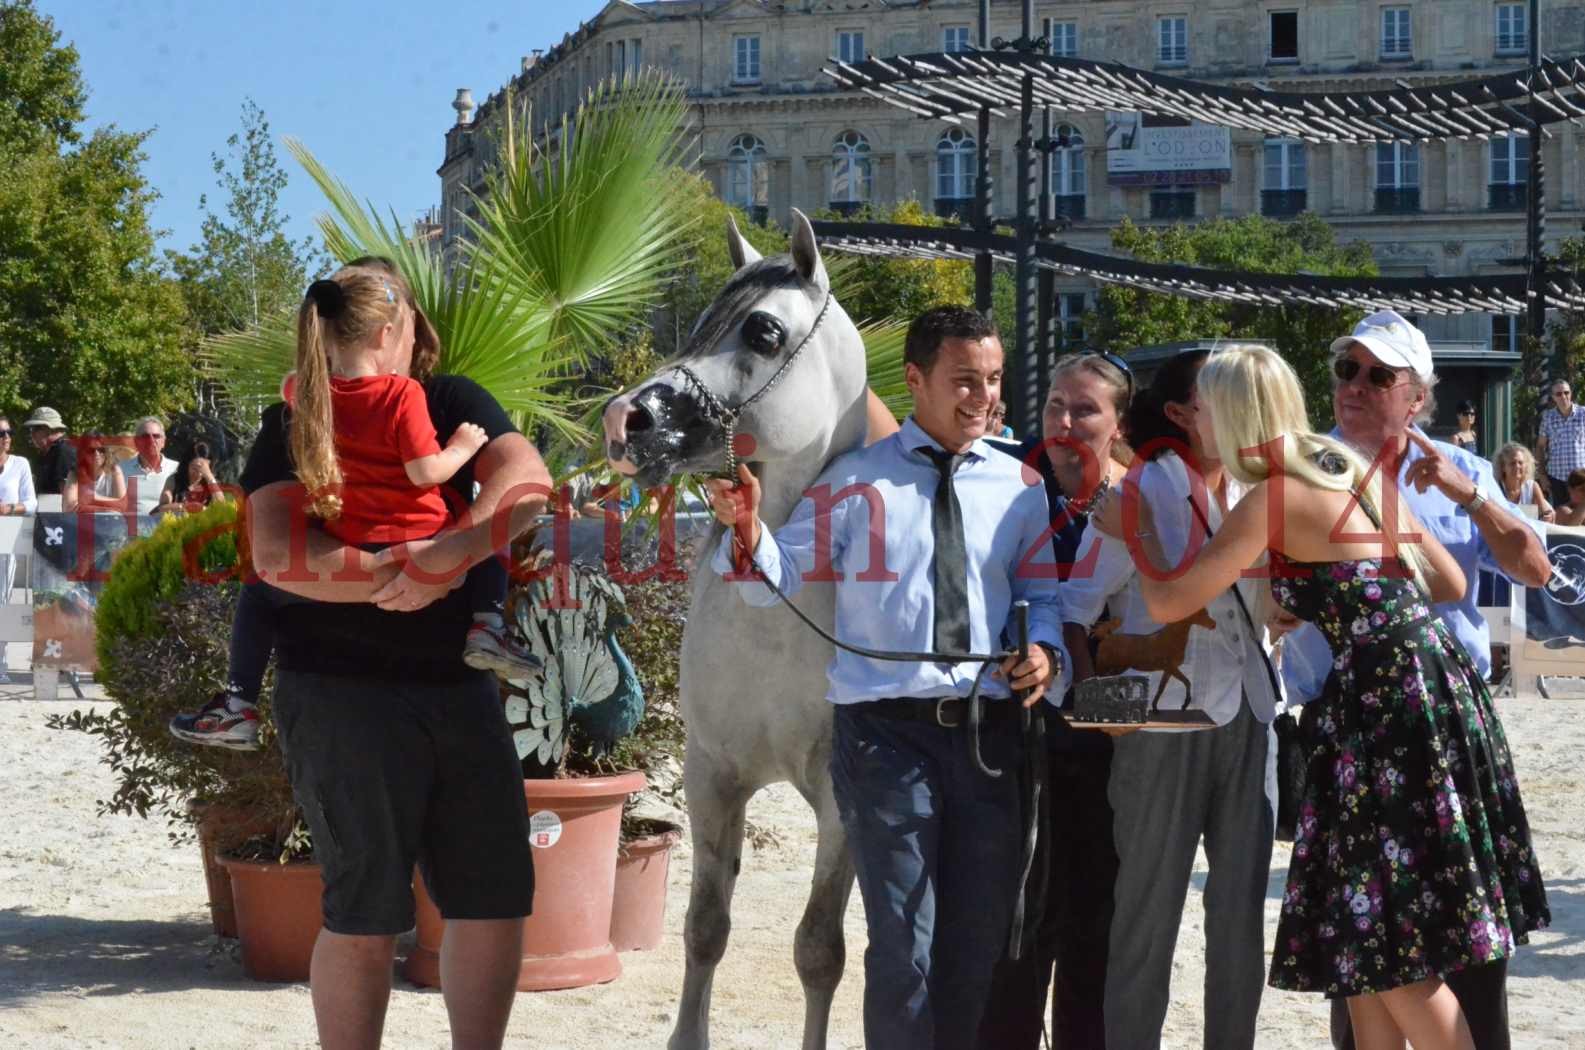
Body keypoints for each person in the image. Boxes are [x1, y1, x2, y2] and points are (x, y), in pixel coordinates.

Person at [1099, 344, 1550, 1050]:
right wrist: (1335, 596)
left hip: (1379, 711)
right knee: (1364, 939)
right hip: (1429, 694)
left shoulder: (1271, 496)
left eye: (1204, 409)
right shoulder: (1346, 468)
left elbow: (1165, 602)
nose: (1195, 425)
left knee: (1389, 941)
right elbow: (1446, 587)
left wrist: (1132, 524)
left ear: (1233, 414)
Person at [705, 306, 1067, 1050]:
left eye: (993, 380)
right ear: (914, 380)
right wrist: (748, 534)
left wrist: (1043, 649)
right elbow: (773, 577)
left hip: (987, 737)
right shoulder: (853, 481)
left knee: (973, 945)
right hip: (884, 742)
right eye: (964, 380)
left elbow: (1044, 596)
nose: (983, 397)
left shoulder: (1021, 485)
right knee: (905, 947)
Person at [240, 260, 551, 1050]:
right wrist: (415, 571)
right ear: (392, 326)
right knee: (363, 910)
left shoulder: (450, 401)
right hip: (337, 694)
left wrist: (446, 555)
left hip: (458, 687)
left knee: (493, 896)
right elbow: (276, 555)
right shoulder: (290, 423)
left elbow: (526, 483)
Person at [1281, 309, 1552, 1050]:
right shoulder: (1304, 469)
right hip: (1345, 732)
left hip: (1445, 729)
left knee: (1467, 959)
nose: (1356, 387)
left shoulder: (1454, 471)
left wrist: (1466, 495)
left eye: (1378, 375)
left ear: (1416, 395)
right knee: (1366, 963)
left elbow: (1533, 568)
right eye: (1346, 371)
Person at [169, 265, 540, 751]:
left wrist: (401, 569)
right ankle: (488, 626)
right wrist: (438, 561)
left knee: (255, 584)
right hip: (345, 680)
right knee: (489, 533)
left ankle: (239, 701)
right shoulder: (406, 395)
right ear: (394, 328)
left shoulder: (307, 402)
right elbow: (435, 475)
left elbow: (527, 479)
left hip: (418, 667)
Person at [1060, 347, 1282, 1050]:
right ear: (1185, 413)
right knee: (1146, 918)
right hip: (1155, 728)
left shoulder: (1263, 489)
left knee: (1240, 919)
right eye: (1223, 393)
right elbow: (1074, 605)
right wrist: (1095, 708)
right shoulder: (1141, 491)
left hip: (1253, 716)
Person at [977, 350, 1131, 1050]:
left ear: (1118, 420)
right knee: (1013, 915)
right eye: (1054, 407)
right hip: (1010, 726)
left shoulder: (1143, 502)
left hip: (1110, 734)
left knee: (1094, 918)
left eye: (1085, 408)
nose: (1065, 421)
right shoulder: (1002, 484)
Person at [0, 415, 37, 683]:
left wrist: (8, 508)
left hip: (7, 538)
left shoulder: (20, 464)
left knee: (2, 603)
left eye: (8, 432)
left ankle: (1, 663)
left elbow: (31, 503)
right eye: (1, 433)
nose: (6, 437)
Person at [1537, 378, 1585, 507]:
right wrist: (1542, 475)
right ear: (1553, 397)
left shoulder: (1583, 414)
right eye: (1559, 394)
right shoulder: (1548, 417)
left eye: (1566, 392)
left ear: (1571, 393)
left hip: (1581, 478)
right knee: (1561, 518)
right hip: (1557, 478)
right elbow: (1541, 446)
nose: (1563, 396)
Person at [120, 416, 179, 516]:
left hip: (166, 529)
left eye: (156, 436)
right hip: (126, 529)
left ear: (163, 441)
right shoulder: (119, 470)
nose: (151, 440)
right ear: (136, 442)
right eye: (145, 436)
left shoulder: (177, 470)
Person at [62, 435, 130, 513]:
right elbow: (69, 508)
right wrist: (108, 508)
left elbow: (123, 506)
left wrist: (92, 498)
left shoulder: (114, 470)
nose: (96, 453)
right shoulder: (74, 473)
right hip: (82, 522)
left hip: (109, 522)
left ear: (106, 452)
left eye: (101, 450)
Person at [1492, 442, 1553, 522]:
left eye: (1520, 463)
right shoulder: (1494, 487)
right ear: (1503, 467)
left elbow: (1546, 514)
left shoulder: (1532, 487)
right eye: (1512, 463)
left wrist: (1546, 516)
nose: (1517, 466)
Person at [162, 442, 228, 513]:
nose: (199, 473)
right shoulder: (175, 479)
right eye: (195, 468)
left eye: (203, 468)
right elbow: (161, 508)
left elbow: (221, 506)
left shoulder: (212, 482)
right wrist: (187, 507)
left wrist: (208, 475)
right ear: (187, 464)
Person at [24, 406, 74, 497]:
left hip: (57, 510)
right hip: (46, 509)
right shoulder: (48, 452)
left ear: (48, 429)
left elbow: (67, 497)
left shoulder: (64, 451)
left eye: (34, 429)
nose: (31, 434)